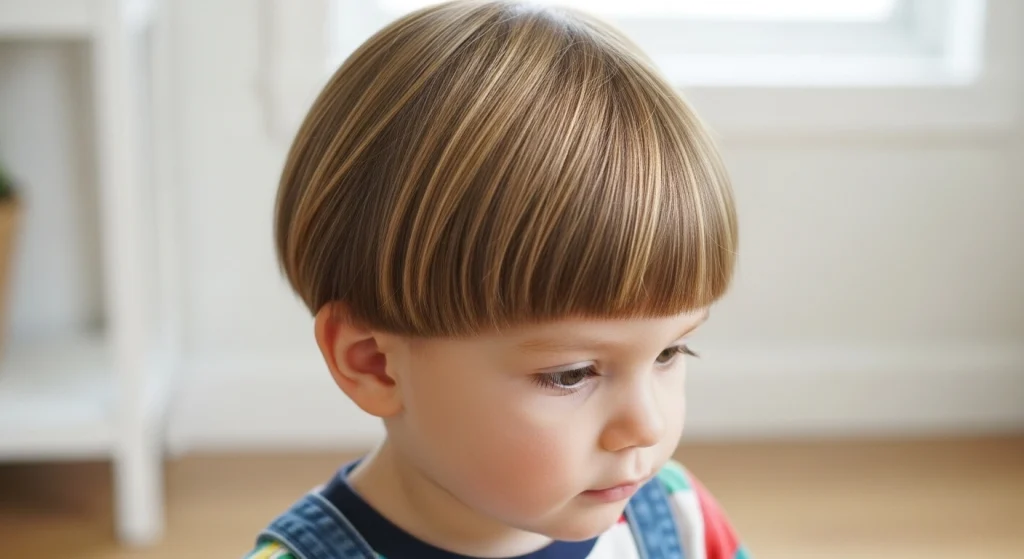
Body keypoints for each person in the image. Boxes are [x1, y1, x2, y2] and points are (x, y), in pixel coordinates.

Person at [247, 1, 747, 557]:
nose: (646, 426)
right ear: (373, 363)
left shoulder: (678, 522)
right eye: (570, 374)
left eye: (669, 353)